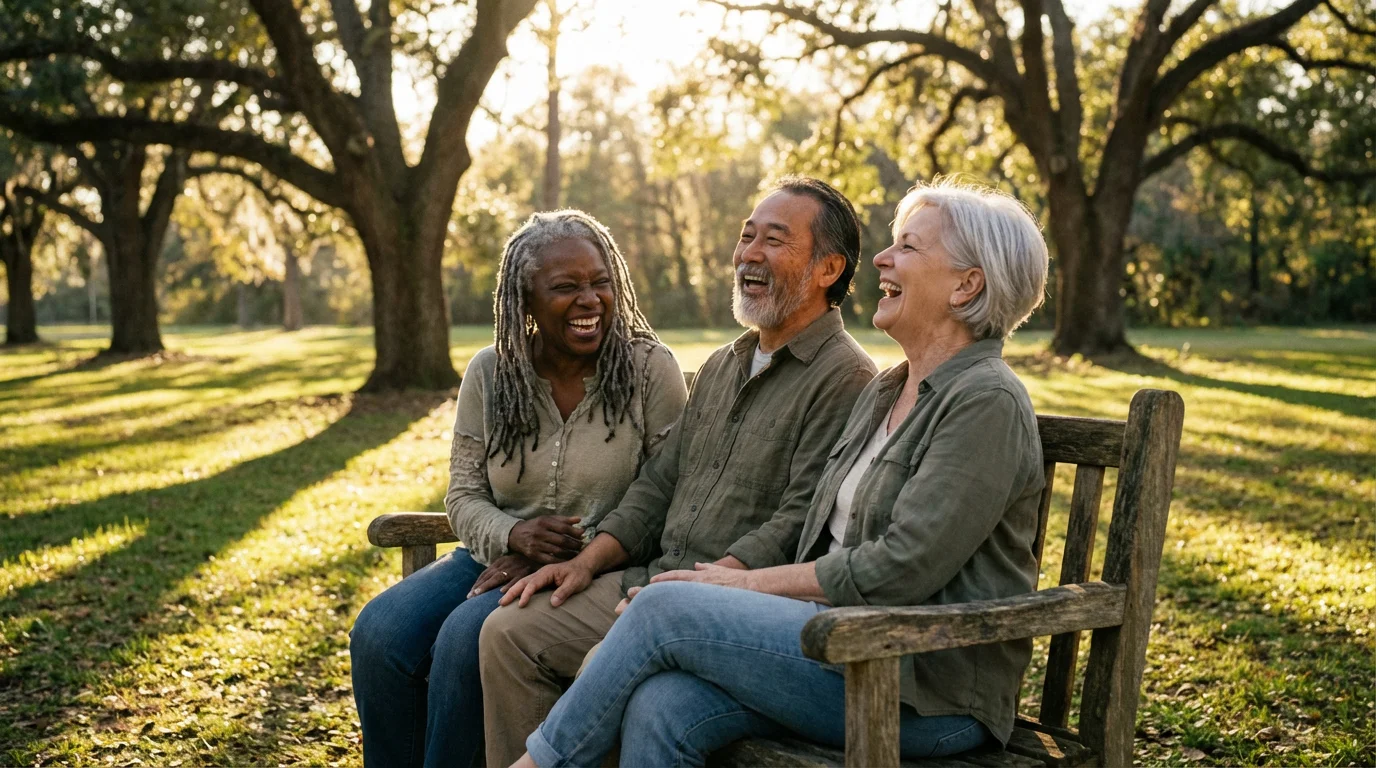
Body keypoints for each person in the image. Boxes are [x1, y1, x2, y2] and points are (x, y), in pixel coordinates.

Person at [511, 178, 1053, 768]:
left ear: (966, 283)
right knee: (662, 704)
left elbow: (904, 566)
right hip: (838, 645)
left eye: (909, 248)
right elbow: (811, 526)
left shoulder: (985, 401)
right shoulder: (888, 390)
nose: (882, 258)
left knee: (663, 609)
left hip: (922, 690)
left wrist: (738, 586)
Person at [478, 177, 879, 767]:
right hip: (652, 576)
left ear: (828, 269)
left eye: (775, 240)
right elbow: (659, 483)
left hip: (724, 605)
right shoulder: (725, 363)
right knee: (509, 632)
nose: (750, 254)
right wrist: (582, 564)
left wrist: (702, 588)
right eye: (747, 238)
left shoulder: (844, 378)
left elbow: (800, 519)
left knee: (606, 667)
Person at [349, 210, 689, 768]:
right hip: (492, 557)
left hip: (599, 567)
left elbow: (665, 493)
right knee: (380, 632)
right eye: (565, 287)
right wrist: (513, 537)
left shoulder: (649, 370)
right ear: (524, 301)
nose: (590, 299)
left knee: (463, 638)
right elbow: (462, 495)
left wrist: (568, 551)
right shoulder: (491, 373)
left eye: (600, 282)